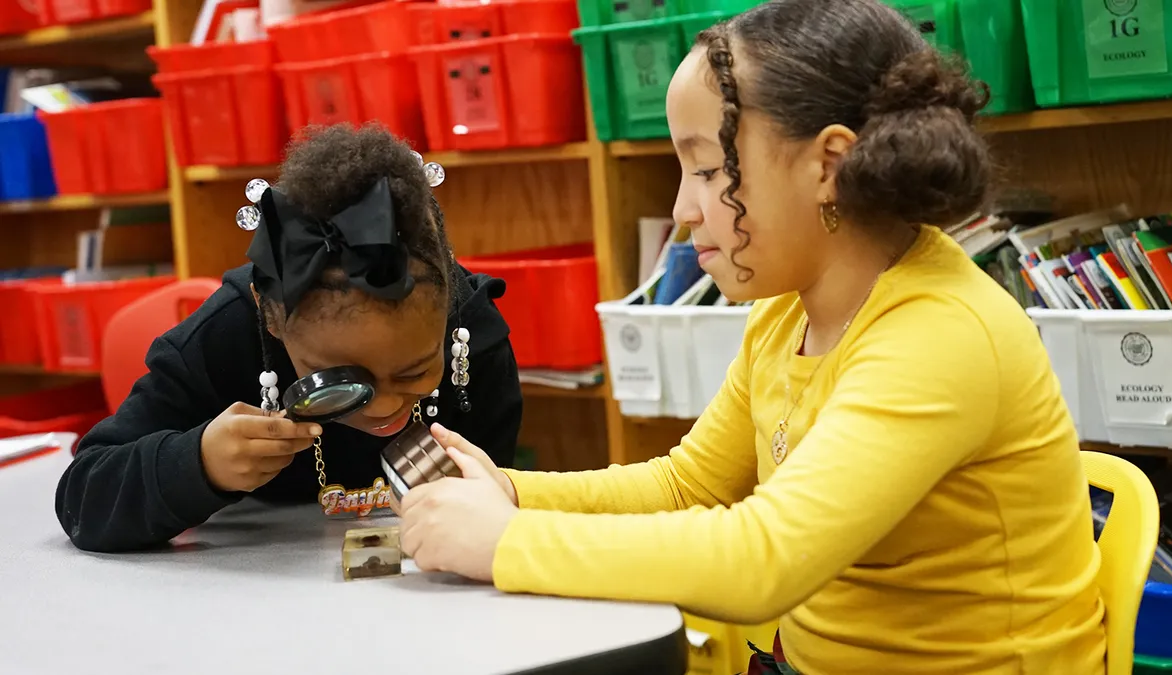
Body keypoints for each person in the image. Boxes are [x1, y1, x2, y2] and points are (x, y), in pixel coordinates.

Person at [389, 1, 1107, 673]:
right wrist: (510, 493)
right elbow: (688, 484)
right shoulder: (789, 311)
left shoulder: (941, 333)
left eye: (705, 168)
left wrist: (505, 541)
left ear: (828, 165)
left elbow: (764, 559)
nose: (683, 209)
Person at [55, 124, 523, 554]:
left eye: (416, 371)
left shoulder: (473, 334)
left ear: (446, 312)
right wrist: (199, 464)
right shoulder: (220, 339)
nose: (382, 407)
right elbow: (83, 498)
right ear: (269, 315)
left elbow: (497, 494)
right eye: (340, 379)